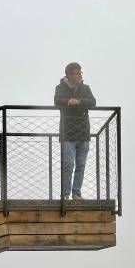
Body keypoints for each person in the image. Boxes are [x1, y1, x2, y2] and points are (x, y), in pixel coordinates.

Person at [54, 62, 96, 199]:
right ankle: (65, 194)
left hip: (83, 132)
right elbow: (57, 100)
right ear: (69, 75)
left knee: (81, 165)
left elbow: (93, 102)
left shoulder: (85, 88)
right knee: (68, 164)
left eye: (80, 73)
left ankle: (76, 193)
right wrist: (68, 101)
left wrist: (78, 101)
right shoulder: (60, 88)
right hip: (67, 132)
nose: (79, 75)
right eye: (77, 73)